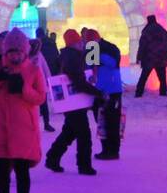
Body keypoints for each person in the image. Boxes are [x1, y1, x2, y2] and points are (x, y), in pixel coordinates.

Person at [0, 29, 46, 193]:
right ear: (5, 52)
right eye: (11, 52)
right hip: (0, 126)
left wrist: (24, 89)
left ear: (25, 52)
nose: (15, 56)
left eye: (18, 52)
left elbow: (40, 97)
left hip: (24, 128)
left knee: (22, 171)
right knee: (0, 171)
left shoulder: (33, 70)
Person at [45, 28, 103, 176]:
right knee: (84, 134)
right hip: (74, 103)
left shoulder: (68, 55)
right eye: (79, 41)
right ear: (76, 42)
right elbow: (78, 82)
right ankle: (84, 165)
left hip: (71, 103)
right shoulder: (73, 57)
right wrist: (97, 92)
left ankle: (52, 158)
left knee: (69, 132)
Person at [82, 28, 124, 160]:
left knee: (111, 121)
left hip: (110, 90)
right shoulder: (96, 49)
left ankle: (112, 150)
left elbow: (113, 63)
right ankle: (107, 149)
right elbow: (90, 66)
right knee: (102, 120)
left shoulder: (108, 48)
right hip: (102, 90)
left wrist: (98, 57)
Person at [135, 14, 167, 97]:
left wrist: (139, 57)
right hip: (161, 58)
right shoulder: (162, 30)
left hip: (149, 58)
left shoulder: (147, 31)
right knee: (162, 78)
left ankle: (138, 93)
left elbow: (142, 45)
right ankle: (163, 93)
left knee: (143, 77)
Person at [34, 28, 60, 132]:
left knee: (37, 102)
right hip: (49, 71)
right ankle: (46, 123)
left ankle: (39, 123)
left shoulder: (36, 49)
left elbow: (43, 64)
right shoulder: (51, 43)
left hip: (38, 78)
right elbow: (55, 56)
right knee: (43, 100)